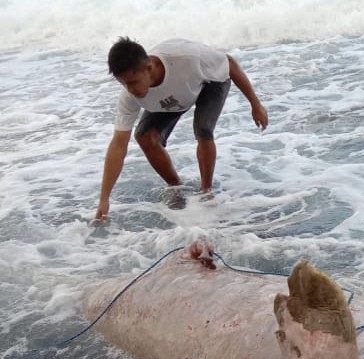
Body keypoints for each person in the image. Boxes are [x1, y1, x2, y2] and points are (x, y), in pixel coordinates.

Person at [94, 37, 269, 221]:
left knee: (203, 129)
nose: (130, 89)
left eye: (133, 81)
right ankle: (177, 188)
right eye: (123, 83)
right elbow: (118, 145)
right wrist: (104, 199)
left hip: (210, 83)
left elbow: (230, 63)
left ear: (149, 67)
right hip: (177, 97)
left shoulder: (188, 59)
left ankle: (206, 193)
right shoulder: (130, 96)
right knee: (144, 137)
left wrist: (255, 104)